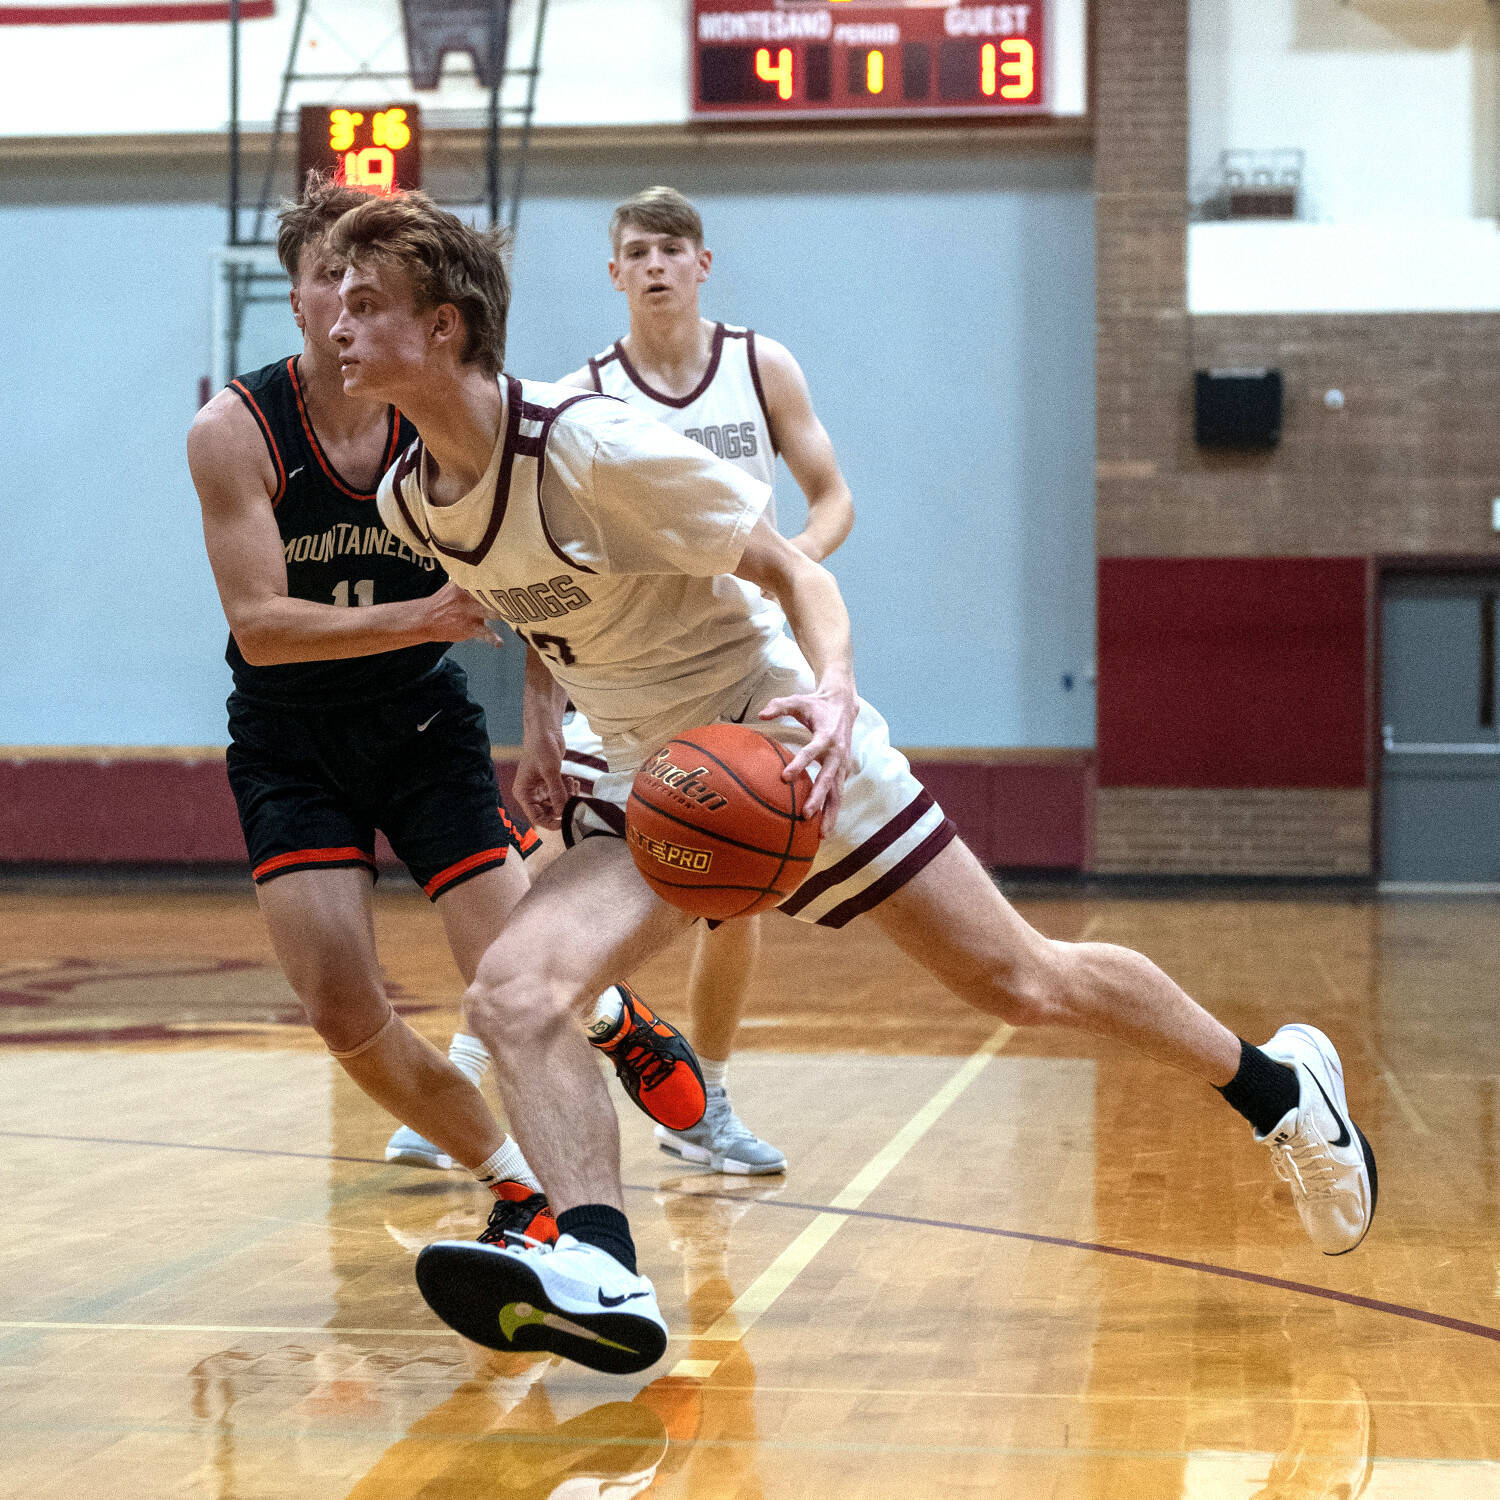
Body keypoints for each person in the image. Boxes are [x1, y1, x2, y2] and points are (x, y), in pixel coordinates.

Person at [324, 191, 1377, 1377]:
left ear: (448, 328)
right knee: (514, 993)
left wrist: (830, 693)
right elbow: (540, 609)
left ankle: (1279, 1086)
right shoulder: (412, 494)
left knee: (1020, 980)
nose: (339, 327)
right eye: (339, 304)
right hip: (645, 774)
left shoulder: (586, 442)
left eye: (367, 305)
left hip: (774, 738)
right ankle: (603, 1263)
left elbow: (787, 567)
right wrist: (541, 720)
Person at [187, 176, 704, 1257]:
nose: (343, 305)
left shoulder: (444, 414)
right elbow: (262, 625)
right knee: (340, 1006)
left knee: (509, 972)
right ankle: (515, 1187)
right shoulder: (236, 431)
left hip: (421, 724)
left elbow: (535, 571)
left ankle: (614, 1020)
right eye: (325, 279)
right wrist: (422, 609)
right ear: (295, 300)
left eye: (363, 284)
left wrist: (542, 721)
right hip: (291, 741)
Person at [394, 184, 854, 1177]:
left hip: (731, 654)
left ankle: (707, 1102)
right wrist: (540, 720)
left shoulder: (758, 366)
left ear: (702, 265)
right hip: (612, 670)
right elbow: (534, 581)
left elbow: (832, 495)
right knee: (555, 864)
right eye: (636, 251)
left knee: (735, 885)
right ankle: (485, 1062)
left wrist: (782, 567)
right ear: (615, 274)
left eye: (672, 248)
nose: (654, 264)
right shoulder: (582, 399)